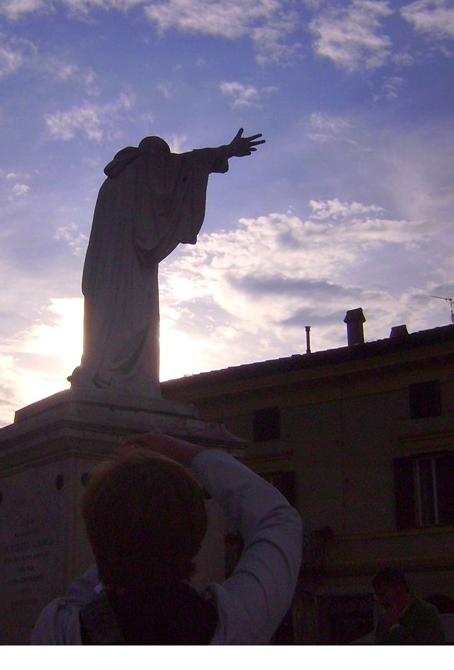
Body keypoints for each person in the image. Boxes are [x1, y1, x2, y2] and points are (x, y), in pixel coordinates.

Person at [30, 432, 302, 644]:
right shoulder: (238, 624)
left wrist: (118, 535)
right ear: (196, 536)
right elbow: (277, 519)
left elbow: (93, 577)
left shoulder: (59, 631)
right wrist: (189, 453)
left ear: (95, 538)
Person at [69, 129, 265, 399]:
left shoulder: (112, 181)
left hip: (103, 270)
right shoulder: (145, 165)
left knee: (101, 321)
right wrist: (228, 150)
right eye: (165, 156)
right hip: (131, 267)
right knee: (135, 318)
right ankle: (120, 378)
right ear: (158, 154)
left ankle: (96, 369)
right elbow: (191, 162)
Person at [372, 567, 446, 644]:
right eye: (377, 597)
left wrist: (395, 628)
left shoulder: (426, 613)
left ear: (399, 588)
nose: (381, 601)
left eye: (383, 595)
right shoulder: (384, 619)